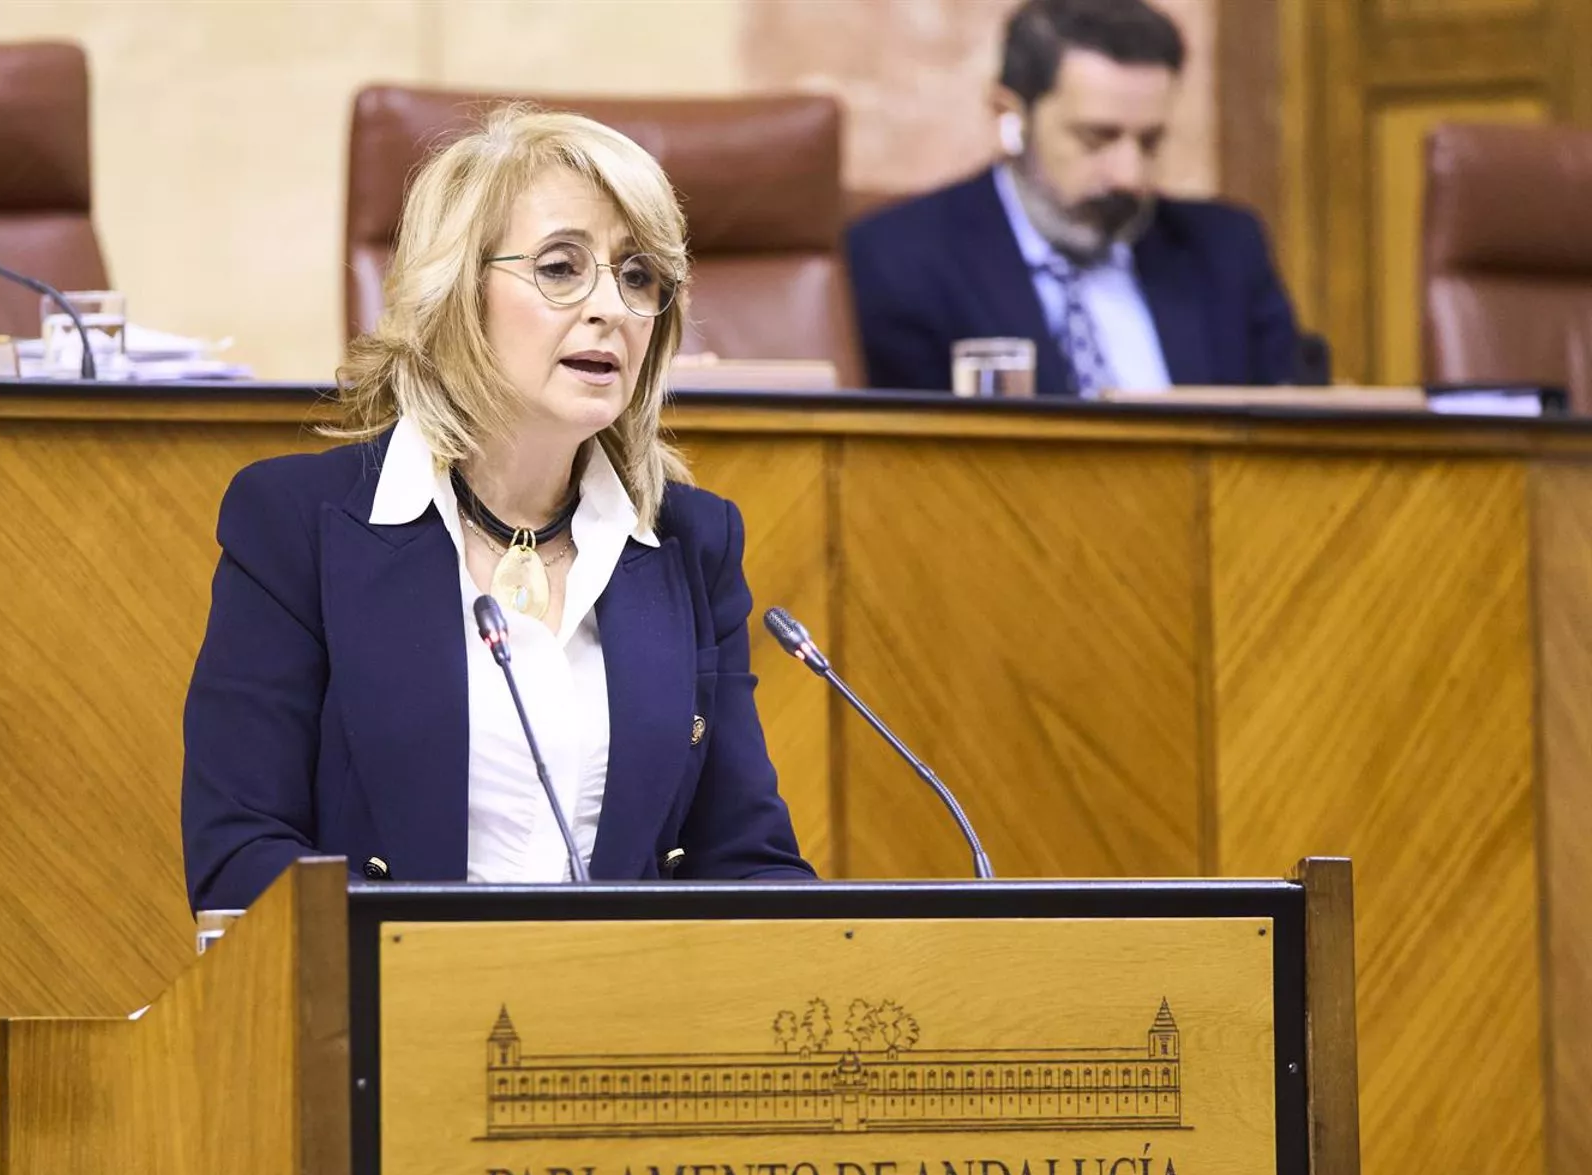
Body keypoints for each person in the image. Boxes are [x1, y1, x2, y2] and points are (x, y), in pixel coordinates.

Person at [181, 105, 814, 910]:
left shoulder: (691, 544)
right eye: (559, 269)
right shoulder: (297, 527)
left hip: (618, 1018)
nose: (611, 309)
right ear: (457, 294)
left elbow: (745, 857)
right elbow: (242, 855)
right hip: (380, 1016)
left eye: (637, 276)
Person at [848, 0, 1299, 396]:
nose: (1129, 176)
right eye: (1096, 138)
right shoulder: (903, 259)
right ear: (1011, 118)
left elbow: (1299, 428)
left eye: (1150, 142)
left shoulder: (1225, 250)